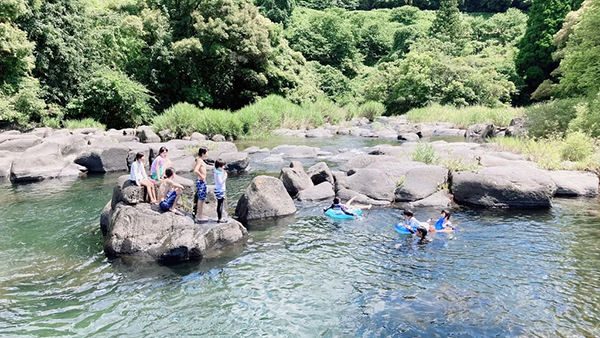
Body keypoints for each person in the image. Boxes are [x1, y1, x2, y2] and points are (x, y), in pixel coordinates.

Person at [193, 147, 209, 222]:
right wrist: (201, 176)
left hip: (201, 181)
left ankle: (200, 214)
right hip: (201, 181)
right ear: (203, 153)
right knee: (201, 198)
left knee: (202, 198)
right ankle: (199, 216)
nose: (207, 154)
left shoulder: (199, 160)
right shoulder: (199, 160)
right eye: (206, 152)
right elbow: (195, 170)